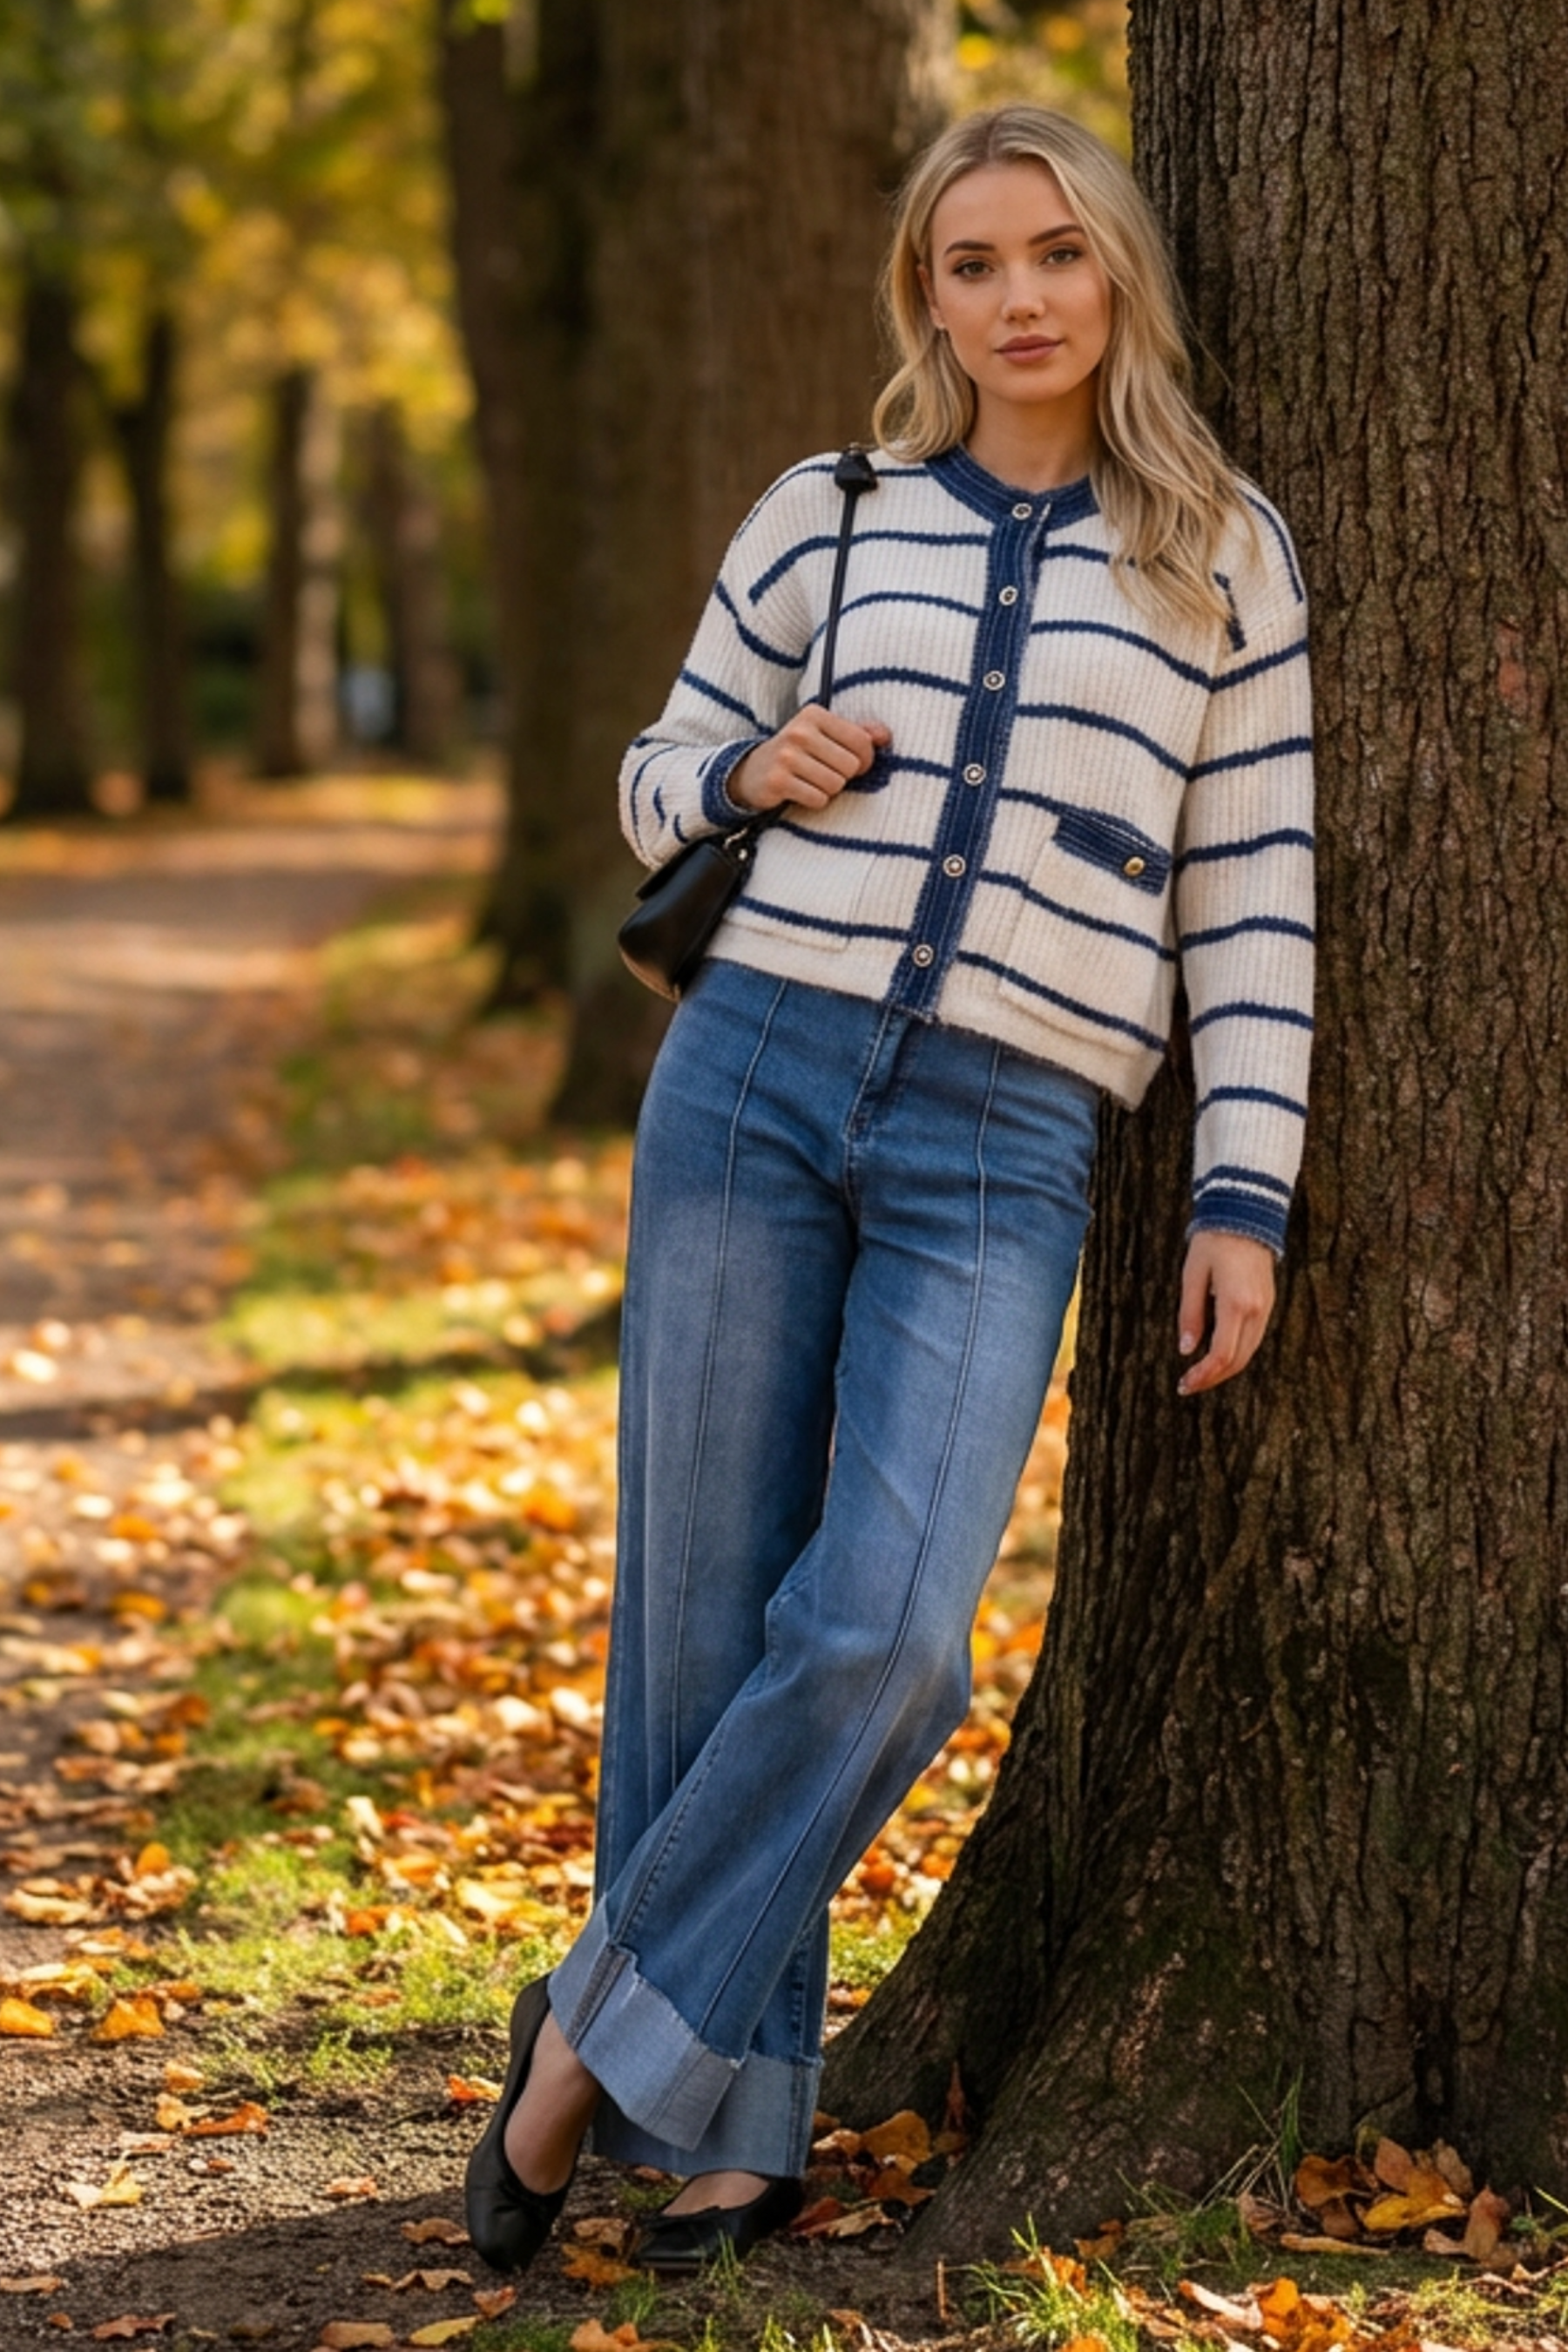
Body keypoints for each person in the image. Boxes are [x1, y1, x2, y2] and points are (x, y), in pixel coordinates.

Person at [465, 101, 1314, 2280]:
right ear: (922, 297)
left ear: (1116, 273)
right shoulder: (826, 515)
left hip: (1008, 1138)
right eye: (970, 264)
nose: (1018, 298)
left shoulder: (1222, 551)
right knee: (696, 1622)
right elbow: (661, 772)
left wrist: (1247, 1189)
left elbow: (1254, 896)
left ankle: (581, 2053)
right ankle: (736, 2130)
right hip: (754, 1073)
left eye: (1055, 253)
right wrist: (747, 767)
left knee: (886, 1636)